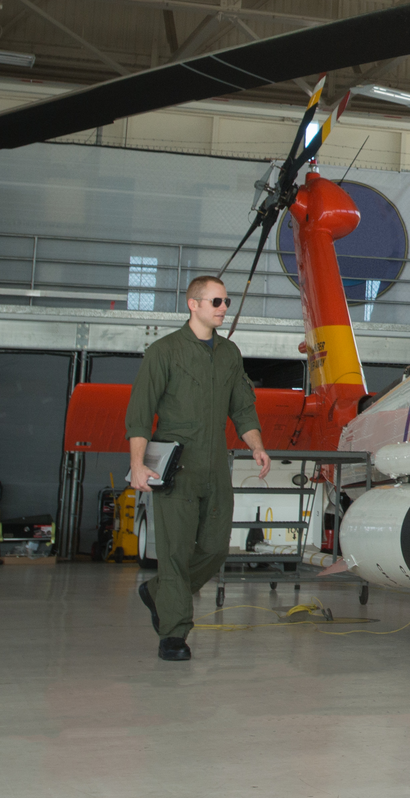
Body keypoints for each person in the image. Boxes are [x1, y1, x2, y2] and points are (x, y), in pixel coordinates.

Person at [127, 275, 271, 661]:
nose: (224, 308)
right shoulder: (164, 351)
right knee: (174, 553)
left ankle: (158, 592)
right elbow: (140, 413)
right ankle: (174, 634)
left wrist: (256, 446)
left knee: (214, 547)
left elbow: (242, 407)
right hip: (176, 468)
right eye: (216, 302)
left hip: (215, 465)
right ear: (194, 304)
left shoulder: (229, 354)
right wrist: (137, 465)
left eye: (226, 302)